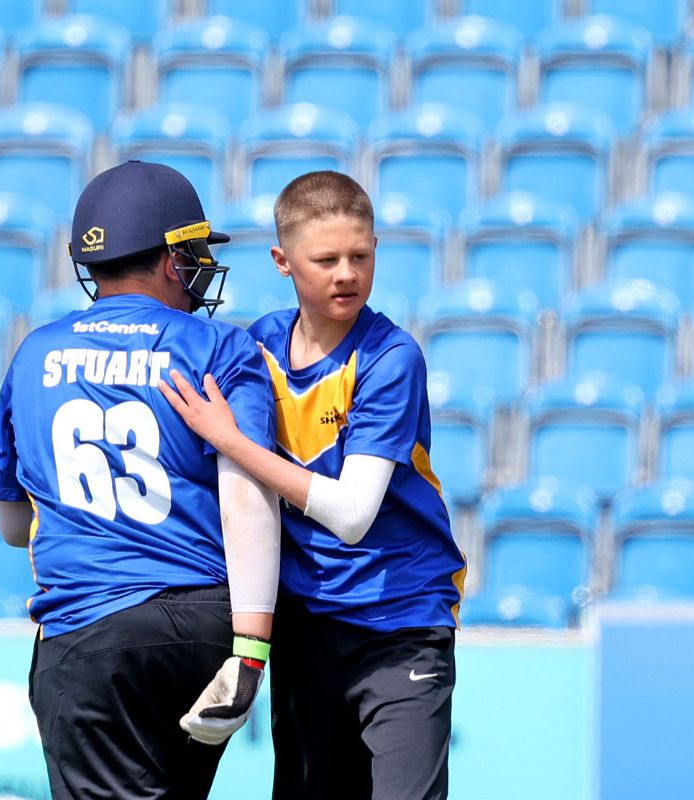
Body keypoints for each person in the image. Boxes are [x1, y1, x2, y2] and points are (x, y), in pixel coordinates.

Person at [0, 160, 284, 799]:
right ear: (173, 260)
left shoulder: (34, 351)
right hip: (202, 626)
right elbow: (248, 501)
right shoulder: (219, 348)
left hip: (86, 629)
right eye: (195, 249)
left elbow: (13, 524)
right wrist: (252, 650)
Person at [158, 170, 464, 799]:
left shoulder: (390, 357)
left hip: (400, 619)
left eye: (360, 255)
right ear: (282, 261)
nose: (345, 273)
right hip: (305, 626)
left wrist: (232, 441)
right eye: (325, 260)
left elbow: (352, 514)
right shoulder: (255, 345)